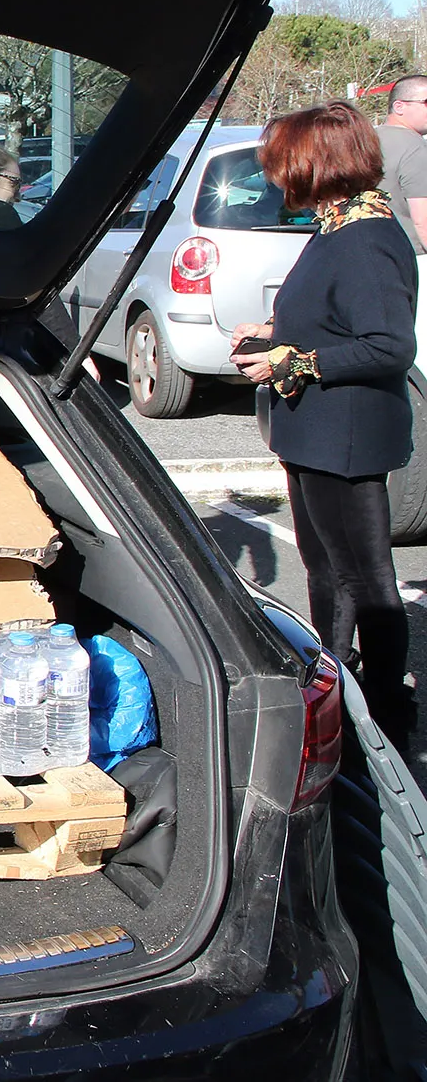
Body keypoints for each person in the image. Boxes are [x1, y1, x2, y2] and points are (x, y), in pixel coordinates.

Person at [231, 101, 418, 742]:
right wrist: (274, 330)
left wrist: (295, 359)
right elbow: (333, 314)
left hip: (348, 434)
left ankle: (386, 708)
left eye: (283, 166)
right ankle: (336, 682)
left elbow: (389, 345)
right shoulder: (335, 227)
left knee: (363, 577)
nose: (277, 180)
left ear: (316, 165)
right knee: (325, 570)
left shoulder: (365, 237)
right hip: (315, 430)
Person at [375, 74, 427, 251]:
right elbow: (423, 221)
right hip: (415, 256)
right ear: (399, 106)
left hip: (375, 253)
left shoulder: (363, 141)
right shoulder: (416, 148)